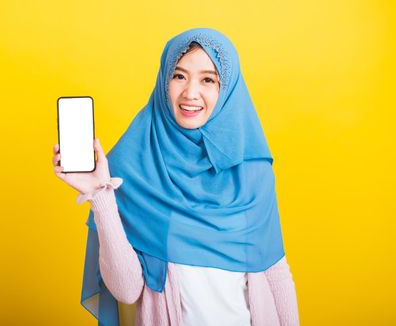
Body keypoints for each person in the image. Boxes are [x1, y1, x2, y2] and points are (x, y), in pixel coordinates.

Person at [53, 27, 300, 326]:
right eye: (179, 76)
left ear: (227, 89)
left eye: (208, 79)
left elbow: (275, 272)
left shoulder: (252, 172)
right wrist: (101, 196)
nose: (190, 93)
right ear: (163, 81)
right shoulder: (131, 166)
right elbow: (127, 291)